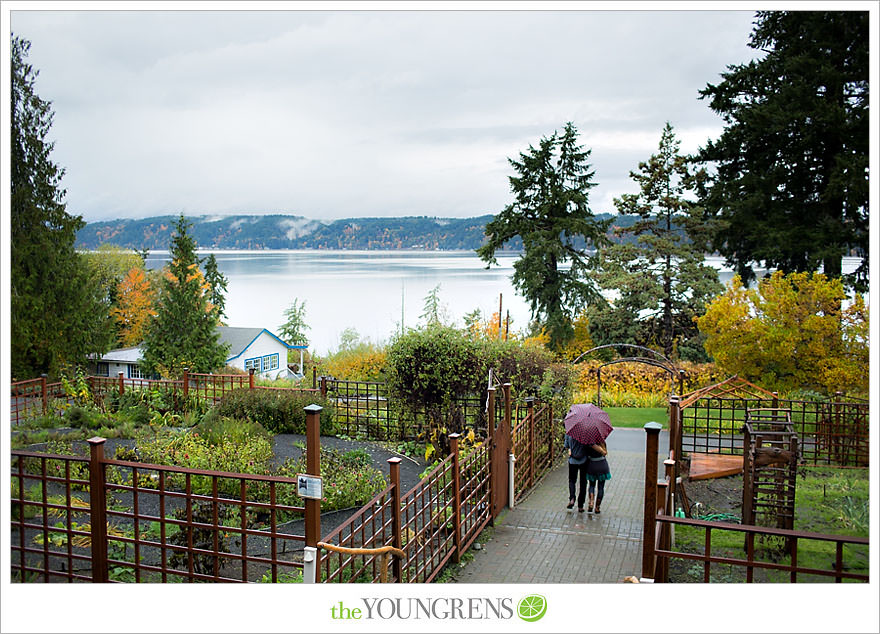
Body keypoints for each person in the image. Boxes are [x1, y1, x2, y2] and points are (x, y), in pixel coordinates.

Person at [564, 434, 589, 512]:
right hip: (584, 461)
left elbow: (566, 445)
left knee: (572, 480)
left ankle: (572, 498)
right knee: (583, 482)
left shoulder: (569, 432)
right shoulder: (586, 433)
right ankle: (580, 505)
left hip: (572, 461)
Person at [585, 441, 611, 513]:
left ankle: (591, 502)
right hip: (602, 466)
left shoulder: (588, 442)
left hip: (592, 466)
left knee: (592, 485)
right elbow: (605, 453)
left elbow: (586, 455)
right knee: (601, 487)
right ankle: (597, 507)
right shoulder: (602, 442)